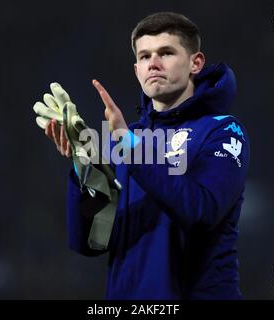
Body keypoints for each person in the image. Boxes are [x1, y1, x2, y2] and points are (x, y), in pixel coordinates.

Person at [43, 12, 250, 299]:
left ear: (195, 63)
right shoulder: (125, 141)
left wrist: (129, 146)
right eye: (144, 56)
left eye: (166, 52)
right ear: (137, 70)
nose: (153, 63)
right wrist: (84, 167)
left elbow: (201, 212)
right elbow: (88, 243)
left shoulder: (223, 131)